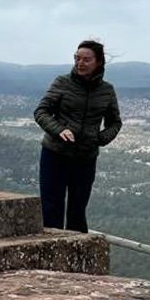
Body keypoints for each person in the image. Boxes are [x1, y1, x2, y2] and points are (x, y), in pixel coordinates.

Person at [32, 39, 121, 233]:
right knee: (51, 207)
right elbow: (41, 111)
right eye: (77, 58)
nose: (80, 63)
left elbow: (115, 122)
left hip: (85, 157)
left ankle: (77, 256)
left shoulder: (106, 90)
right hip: (55, 153)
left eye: (86, 59)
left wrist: (100, 138)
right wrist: (59, 130)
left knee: (78, 210)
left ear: (98, 62)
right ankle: (51, 256)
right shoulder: (62, 83)